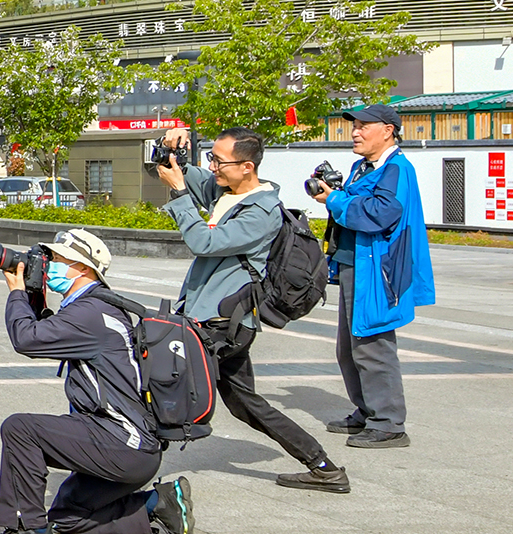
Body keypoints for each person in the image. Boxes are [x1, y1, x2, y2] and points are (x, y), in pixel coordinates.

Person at [0, 229, 194, 534]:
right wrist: (34, 297)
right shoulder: (96, 307)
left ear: (82, 267)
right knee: (67, 515)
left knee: (20, 429)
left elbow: (27, 339)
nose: (48, 265)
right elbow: (45, 332)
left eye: (56, 259)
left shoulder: (90, 313)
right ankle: (159, 503)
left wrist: (18, 295)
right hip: (132, 447)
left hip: (123, 443)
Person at [152, 126, 345, 492]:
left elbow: (203, 242)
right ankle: (323, 466)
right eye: (211, 158)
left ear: (247, 167)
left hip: (223, 322)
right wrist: (168, 148)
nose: (212, 167)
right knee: (244, 402)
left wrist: (178, 193)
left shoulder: (261, 212)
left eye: (219, 162)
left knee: (158, 378)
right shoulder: (223, 190)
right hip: (215, 317)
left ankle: (122, 460)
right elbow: (173, 170)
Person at [311, 104, 433, 448]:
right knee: (349, 348)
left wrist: (335, 199)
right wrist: (335, 194)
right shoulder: (362, 168)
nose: (355, 132)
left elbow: (380, 214)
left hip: (379, 272)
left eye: (364, 125)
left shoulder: (397, 169)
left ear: (388, 131)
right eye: (355, 125)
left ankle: (389, 424)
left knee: (373, 346)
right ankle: (367, 411)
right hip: (355, 265)